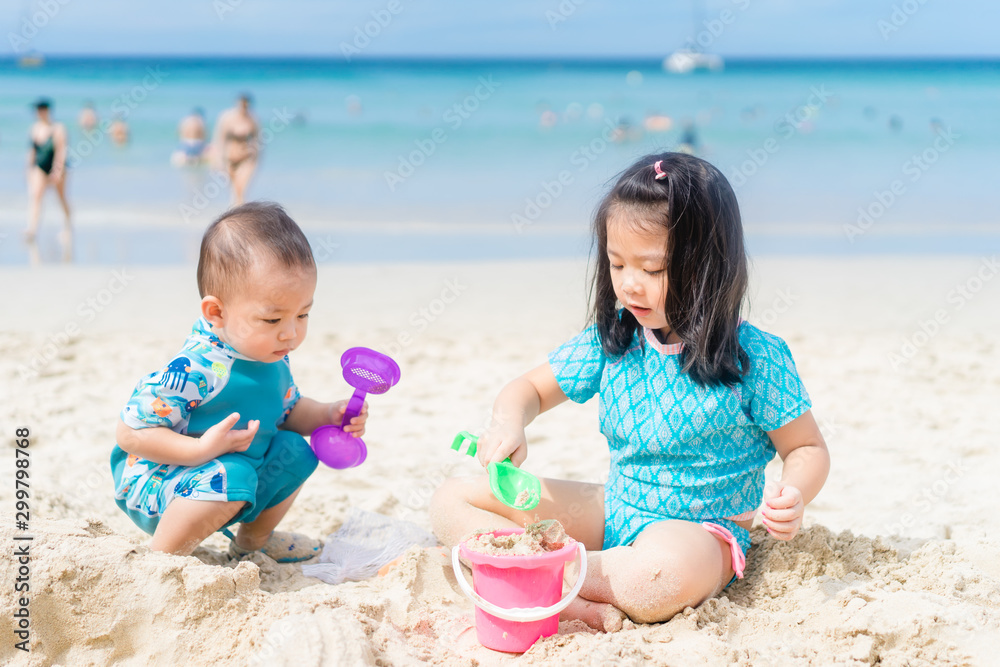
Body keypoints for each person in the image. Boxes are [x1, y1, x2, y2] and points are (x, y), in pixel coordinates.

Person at [430, 152, 830, 630]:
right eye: (617, 264)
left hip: (700, 535)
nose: (630, 286)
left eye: (653, 270)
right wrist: (508, 423)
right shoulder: (615, 338)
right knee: (452, 499)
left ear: (709, 266)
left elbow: (806, 446)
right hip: (614, 509)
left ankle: (538, 574)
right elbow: (527, 390)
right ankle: (565, 587)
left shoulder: (755, 356)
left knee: (655, 579)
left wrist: (794, 493)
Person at [111, 202, 368, 560]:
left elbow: (288, 411)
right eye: (272, 319)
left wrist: (329, 414)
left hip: (232, 478)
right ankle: (161, 560)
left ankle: (251, 544)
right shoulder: (197, 368)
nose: (291, 333)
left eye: (303, 314)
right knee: (233, 473)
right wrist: (199, 450)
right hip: (160, 484)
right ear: (216, 312)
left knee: (295, 452)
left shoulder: (267, 353)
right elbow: (130, 435)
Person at [25, 98, 72, 253]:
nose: (38, 113)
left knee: (61, 197)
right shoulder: (34, 128)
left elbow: (61, 150)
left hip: (58, 168)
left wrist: (57, 170)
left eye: (40, 110)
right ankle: (32, 229)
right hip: (39, 168)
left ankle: (67, 227)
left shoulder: (58, 128)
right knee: (36, 197)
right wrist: (28, 170)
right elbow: (32, 152)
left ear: (46, 111)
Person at [212, 93, 259, 205]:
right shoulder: (227, 118)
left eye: (246, 106)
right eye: (242, 105)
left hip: (246, 158)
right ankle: (236, 214)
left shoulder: (252, 119)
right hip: (230, 158)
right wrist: (218, 161)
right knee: (234, 192)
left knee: (241, 189)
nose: (244, 108)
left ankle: (240, 215)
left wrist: (256, 158)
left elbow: (257, 140)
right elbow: (219, 140)